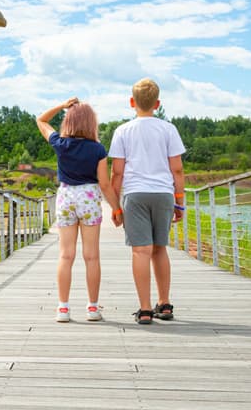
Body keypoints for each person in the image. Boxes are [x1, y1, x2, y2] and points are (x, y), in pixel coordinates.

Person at [36, 97, 122, 323]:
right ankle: (92, 308)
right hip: (89, 198)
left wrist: (61, 105)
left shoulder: (60, 144)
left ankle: (63, 309)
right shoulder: (97, 149)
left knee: (66, 255)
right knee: (91, 256)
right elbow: (104, 184)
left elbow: (41, 120)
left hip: (65, 198)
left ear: (69, 122)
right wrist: (116, 208)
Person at [109, 78, 186, 325]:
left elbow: (117, 173)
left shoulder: (122, 131)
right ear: (158, 103)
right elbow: (178, 170)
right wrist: (179, 200)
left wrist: (115, 206)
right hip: (163, 193)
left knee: (141, 251)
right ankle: (164, 304)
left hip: (135, 194)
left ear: (132, 102)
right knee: (160, 248)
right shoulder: (169, 129)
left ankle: (144, 309)